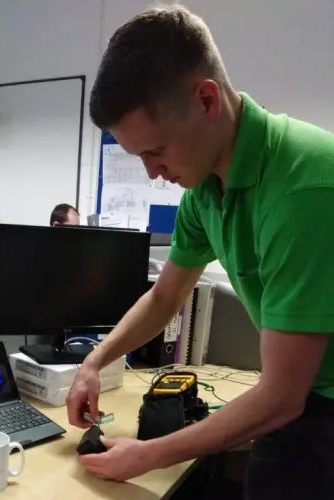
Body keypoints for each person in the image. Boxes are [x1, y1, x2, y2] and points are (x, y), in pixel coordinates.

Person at [66, 5, 334, 498]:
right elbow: (164, 299)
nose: (151, 173)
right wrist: (93, 362)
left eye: (156, 150)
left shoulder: (304, 189)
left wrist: (146, 455)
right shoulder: (204, 192)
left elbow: (282, 397)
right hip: (296, 399)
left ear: (206, 100)